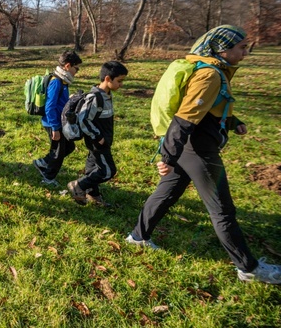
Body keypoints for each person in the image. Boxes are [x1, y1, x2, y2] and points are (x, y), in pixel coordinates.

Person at [126, 25, 281, 285]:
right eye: (241, 48)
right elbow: (184, 119)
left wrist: (234, 122)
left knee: (167, 193)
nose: (245, 53)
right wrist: (167, 157)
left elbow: (211, 107)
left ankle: (138, 237)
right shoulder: (209, 75)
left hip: (188, 146)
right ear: (222, 49)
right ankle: (249, 268)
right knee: (222, 210)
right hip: (196, 149)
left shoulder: (213, 70)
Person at [66, 61, 128, 206]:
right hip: (98, 142)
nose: (121, 84)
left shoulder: (107, 95)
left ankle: (93, 194)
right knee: (107, 170)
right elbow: (84, 120)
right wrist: (98, 137)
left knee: (92, 168)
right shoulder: (95, 98)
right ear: (107, 79)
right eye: (119, 81)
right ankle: (78, 186)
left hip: (103, 140)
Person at [33, 50, 83, 186]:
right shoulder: (56, 82)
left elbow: (58, 102)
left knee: (69, 147)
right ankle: (48, 179)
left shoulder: (63, 81)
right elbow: (50, 107)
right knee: (58, 152)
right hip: (53, 123)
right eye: (76, 68)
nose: (77, 71)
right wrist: (55, 128)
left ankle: (42, 163)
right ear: (67, 66)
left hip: (59, 122)